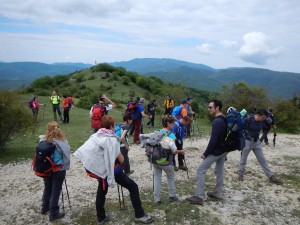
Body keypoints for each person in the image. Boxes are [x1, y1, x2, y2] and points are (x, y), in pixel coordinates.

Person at [74, 116, 153, 224]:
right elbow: (121, 159)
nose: (115, 125)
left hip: (100, 170)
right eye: (114, 124)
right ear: (111, 126)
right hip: (112, 170)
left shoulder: (96, 135)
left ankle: (101, 217)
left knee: (102, 191)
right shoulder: (112, 139)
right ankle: (140, 215)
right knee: (133, 187)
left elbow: (87, 151)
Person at [186, 99, 227, 205]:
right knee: (219, 170)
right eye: (208, 107)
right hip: (223, 150)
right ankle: (217, 193)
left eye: (210, 107)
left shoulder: (217, 121)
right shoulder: (224, 118)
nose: (208, 109)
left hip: (217, 151)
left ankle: (199, 196)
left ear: (217, 108)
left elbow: (213, 140)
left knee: (200, 170)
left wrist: (205, 153)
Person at [238, 109, 282, 185]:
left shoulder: (262, 120)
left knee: (262, 160)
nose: (264, 119)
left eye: (264, 118)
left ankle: (271, 176)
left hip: (256, 142)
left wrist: (270, 120)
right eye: (263, 117)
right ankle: (240, 174)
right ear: (258, 115)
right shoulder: (248, 119)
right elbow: (240, 128)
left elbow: (270, 122)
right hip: (247, 142)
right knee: (243, 159)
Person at [40, 121, 71, 222]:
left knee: (47, 188)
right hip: (58, 169)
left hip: (46, 169)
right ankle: (53, 213)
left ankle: (45, 207)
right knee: (56, 190)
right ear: (58, 129)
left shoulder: (43, 140)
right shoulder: (61, 141)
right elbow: (67, 153)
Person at [151, 115, 186, 204]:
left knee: (157, 178)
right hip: (166, 161)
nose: (174, 125)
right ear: (168, 123)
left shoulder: (157, 132)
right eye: (172, 123)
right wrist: (180, 151)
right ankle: (172, 195)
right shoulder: (171, 135)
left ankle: (157, 199)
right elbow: (173, 151)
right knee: (170, 176)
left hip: (155, 160)